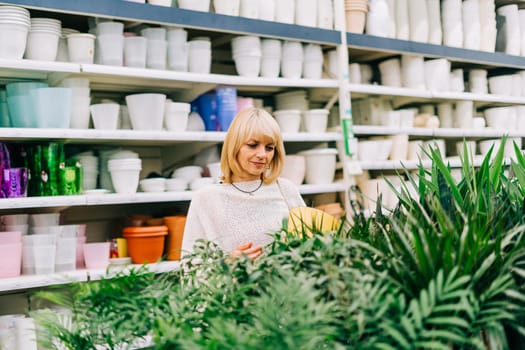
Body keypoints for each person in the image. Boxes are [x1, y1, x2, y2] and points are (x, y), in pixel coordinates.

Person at [182, 107, 306, 260]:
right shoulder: (206, 198)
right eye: (253, 145)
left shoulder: (285, 190)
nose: (262, 155)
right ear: (234, 147)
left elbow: (311, 249)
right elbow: (190, 269)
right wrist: (229, 263)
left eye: (269, 148)